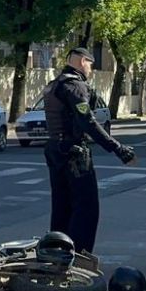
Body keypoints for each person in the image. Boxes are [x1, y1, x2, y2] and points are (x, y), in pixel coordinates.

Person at [42, 47, 137, 253]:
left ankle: (56, 254)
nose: (91, 70)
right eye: (91, 65)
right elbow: (87, 121)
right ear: (83, 61)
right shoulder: (75, 86)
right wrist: (117, 148)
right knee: (86, 208)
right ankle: (80, 258)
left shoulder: (54, 85)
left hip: (55, 150)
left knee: (61, 206)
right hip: (74, 154)